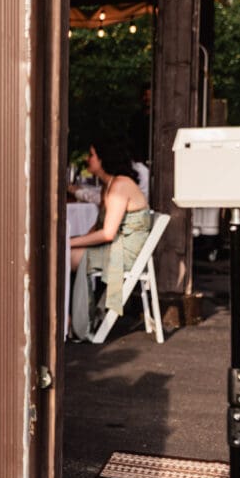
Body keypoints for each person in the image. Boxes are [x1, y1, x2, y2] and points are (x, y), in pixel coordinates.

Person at [68, 140, 151, 341]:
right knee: (63, 253)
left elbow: (107, 234)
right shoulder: (110, 185)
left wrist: (69, 244)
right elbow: (97, 227)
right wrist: (74, 239)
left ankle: (74, 320)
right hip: (116, 246)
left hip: (125, 251)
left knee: (64, 257)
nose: (88, 160)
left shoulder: (120, 186)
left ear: (103, 159)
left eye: (92, 155)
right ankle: (72, 317)